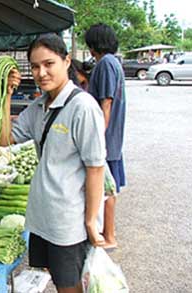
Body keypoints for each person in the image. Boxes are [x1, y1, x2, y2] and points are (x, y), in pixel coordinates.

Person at [0, 33, 106, 293]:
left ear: (67, 61)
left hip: (67, 221)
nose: (41, 72)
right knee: (58, 280)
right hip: (43, 216)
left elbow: (96, 168)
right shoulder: (38, 107)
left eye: (49, 64)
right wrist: (6, 94)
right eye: (35, 66)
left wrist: (91, 221)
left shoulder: (83, 107)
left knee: (69, 286)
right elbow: (5, 139)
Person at [85, 23, 126, 250]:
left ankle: (109, 236)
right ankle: (104, 232)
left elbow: (106, 102)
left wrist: (97, 136)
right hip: (112, 138)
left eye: (90, 45)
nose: (89, 50)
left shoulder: (106, 64)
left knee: (107, 187)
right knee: (106, 186)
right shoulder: (113, 63)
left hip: (107, 139)